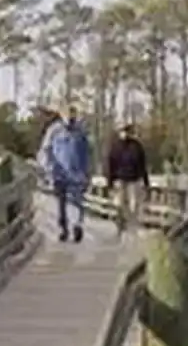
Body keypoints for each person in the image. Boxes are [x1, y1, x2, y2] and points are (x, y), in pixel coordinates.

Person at [38, 104, 92, 243]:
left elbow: (87, 153)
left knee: (77, 201)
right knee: (61, 203)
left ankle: (77, 226)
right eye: (67, 115)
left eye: (73, 115)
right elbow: (46, 150)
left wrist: (87, 172)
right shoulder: (54, 131)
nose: (70, 118)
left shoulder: (81, 132)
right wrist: (48, 168)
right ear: (62, 115)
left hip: (77, 173)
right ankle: (63, 228)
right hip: (59, 173)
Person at [104, 122, 150, 235]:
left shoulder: (137, 146)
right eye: (123, 131)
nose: (125, 134)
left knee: (133, 205)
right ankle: (121, 222)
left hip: (133, 179)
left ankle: (131, 226)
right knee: (119, 203)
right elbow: (111, 165)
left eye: (127, 131)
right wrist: (110, 182)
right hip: (120, 179)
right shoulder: (115, 147)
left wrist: (145, 181)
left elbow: (142, 164)